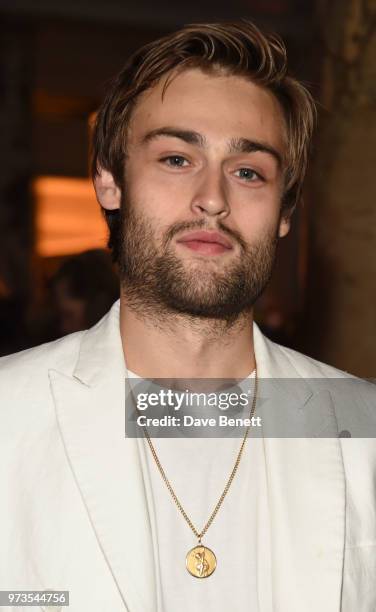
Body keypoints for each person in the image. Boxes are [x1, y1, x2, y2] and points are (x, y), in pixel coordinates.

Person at [0, 21, 375, 612]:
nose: (213, 197)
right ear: (109, 180)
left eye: (248, 170)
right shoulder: (8, 417)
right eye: (177, 158)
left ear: (284, 210)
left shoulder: (363, 430)